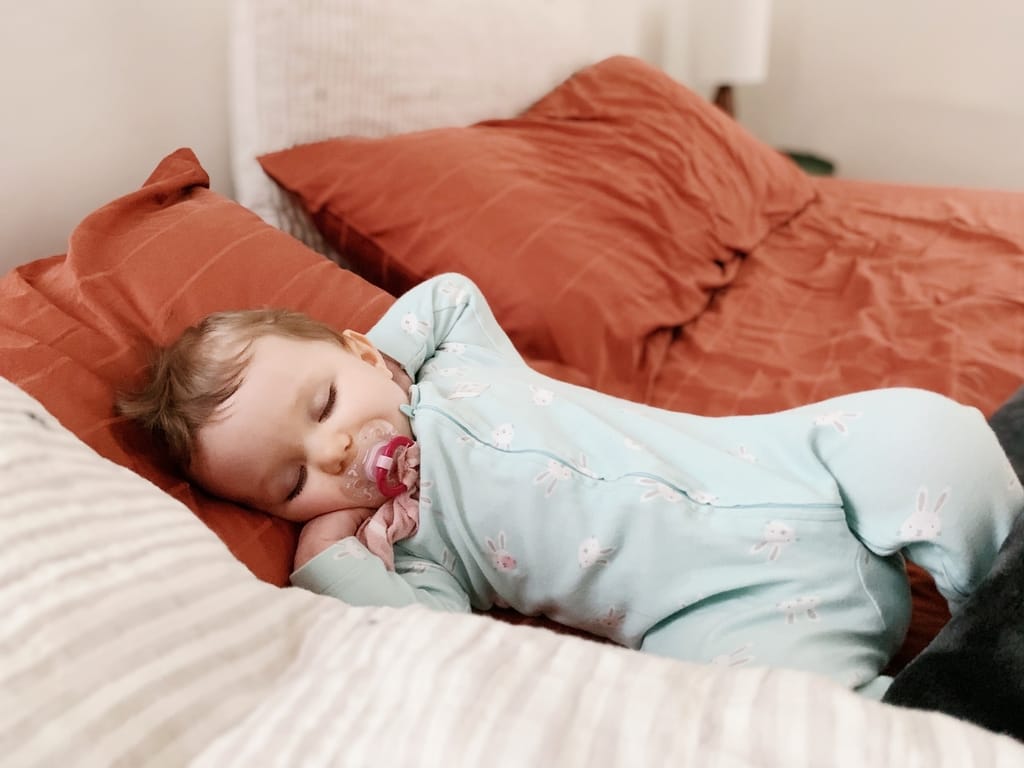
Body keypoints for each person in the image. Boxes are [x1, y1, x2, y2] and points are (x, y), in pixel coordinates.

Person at [119, 273, 1024, 698]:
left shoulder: (453, 368)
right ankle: (923, 714)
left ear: (362, 353)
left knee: (926, 430)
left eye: (324, 401)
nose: (337, 452)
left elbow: (453, 292)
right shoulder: (418, 543)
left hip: (797, 459)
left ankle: (997, 591)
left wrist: (390, 368)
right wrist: (332, 558)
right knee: (741, 725)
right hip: (724, 613)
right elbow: (436, 642)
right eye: (291, 482)